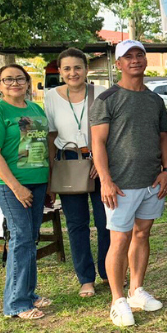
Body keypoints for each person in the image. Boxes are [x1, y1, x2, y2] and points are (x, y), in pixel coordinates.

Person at [91, 40, 167, 327]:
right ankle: (117, 300)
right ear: (119, 64)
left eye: (140, 55)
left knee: (142, 234)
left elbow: (164, 137)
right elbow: (97, 143)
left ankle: (136, 290)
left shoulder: (155, 100)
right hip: (121, 184)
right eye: (128, 57)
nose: (135, 60)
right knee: (120, 239)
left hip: (152, 181)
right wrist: (106, 180)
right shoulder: (107, 99)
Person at [0, 65, 51, 320]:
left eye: (20, 78)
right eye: (8, 79)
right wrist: (16, 187)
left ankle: (29, 293)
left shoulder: (35, 109)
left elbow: (42, 146)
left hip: (37, 181)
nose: (14, 82)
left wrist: (47, 183)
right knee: (21, 239)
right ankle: (16, 303)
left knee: (30, 239)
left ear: (27, 82)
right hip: (11, 185)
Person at [44, 48, 109, 299]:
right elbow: (51, 136)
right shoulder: (51, 97)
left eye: (78, 67)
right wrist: (52, 173)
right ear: (60, 71)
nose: (73, 73)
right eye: (67, 68)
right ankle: (85, 278)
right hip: (69, 162)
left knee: (106, 222)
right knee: (77, 224)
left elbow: (110, 132)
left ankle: (107, 271)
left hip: (98, 162)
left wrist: (103, 162)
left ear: (86, 69)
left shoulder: (101, 94)